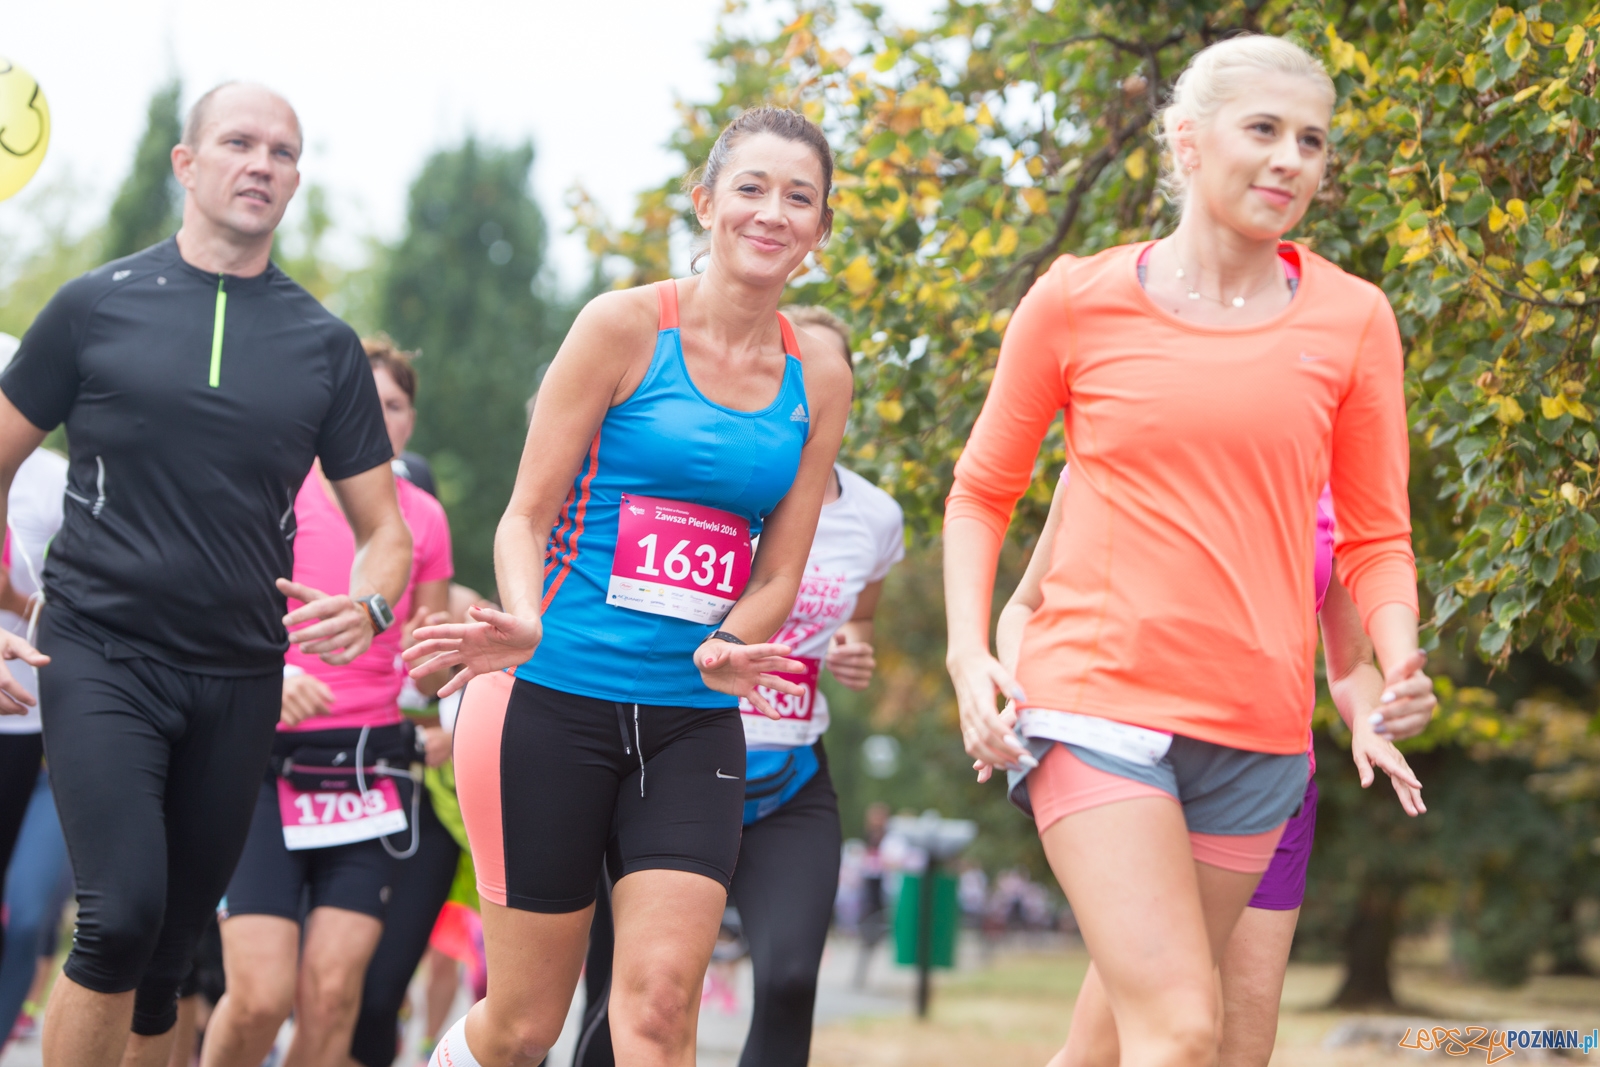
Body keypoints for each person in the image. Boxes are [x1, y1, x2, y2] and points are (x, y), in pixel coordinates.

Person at [941, 35, 1431, 1067]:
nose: (1290, 159)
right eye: (1263, 130)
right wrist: (966, 652)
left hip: (1258, 735)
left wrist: (1399, 657)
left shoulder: (1353, 320)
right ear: (1185, 138)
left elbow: (1377, 533)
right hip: (1095, 701)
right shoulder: (1077, 298)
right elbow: (983, 491)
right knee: (1180, 1031)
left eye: (1311, 140)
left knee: (1113, 1042)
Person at [404, 105, 852, 1067]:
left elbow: (780, 566)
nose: (773, 213)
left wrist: (735, 638)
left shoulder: (818, 373)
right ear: (706, 203)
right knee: (526, 1023)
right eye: (752, 188)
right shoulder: (621, 326)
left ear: (819, 230)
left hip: (691, 715)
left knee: (655, 1006)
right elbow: (524, 514)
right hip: (551, 696)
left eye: (800, 198)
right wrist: (521, 616)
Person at [0, 82, 412, 1067]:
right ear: (187, 164)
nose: (262, 162)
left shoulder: (322, 346)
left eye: (284, 151)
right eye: (239, 141)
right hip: (98, 648)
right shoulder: (94, 307)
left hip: (237, 672)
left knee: (172, 951)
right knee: (118, 911)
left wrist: (369, 601)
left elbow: (386, 531)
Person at [998, 472, 1433, 1065]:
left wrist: (1369, 722)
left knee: (1238, 1052)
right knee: (1113, 1046)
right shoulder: (1127, 430)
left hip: (1273, 783)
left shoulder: (1339, 480)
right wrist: (1023, 694)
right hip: (1139, 767)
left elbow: (1353, 664)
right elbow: (1028, 607)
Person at [568, 306, 904, 1067]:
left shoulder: (877, 517)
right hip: (674, 755)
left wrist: (856, 642)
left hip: (789, 774)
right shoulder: (717, 482)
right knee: (630, 995)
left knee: (789, 979)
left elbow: (862, 617)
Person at [200, 341, 451, 1067]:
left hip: (369, 772)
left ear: (409, 424)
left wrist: (447, 661)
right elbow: (211, 615)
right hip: (261, 764)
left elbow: (425, 674)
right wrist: (270, 676)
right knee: (257, 996)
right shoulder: (275, 489)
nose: (379, 416)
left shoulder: (425, 518)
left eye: (396, 405)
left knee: (335, 992)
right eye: (364, 401)